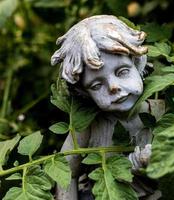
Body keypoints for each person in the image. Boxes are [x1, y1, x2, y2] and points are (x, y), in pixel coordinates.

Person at [51, 15, 159, 200]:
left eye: (122, 72)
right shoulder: (88, 127)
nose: (113, 87)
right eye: (96, 85)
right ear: (84, 93)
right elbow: (66, 174)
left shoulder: (159, 113)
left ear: (137, 63)